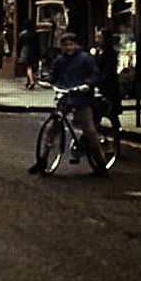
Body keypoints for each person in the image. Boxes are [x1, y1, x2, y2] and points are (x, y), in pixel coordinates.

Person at [28, 33, 103, 174]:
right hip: (65, 96)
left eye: (71, 44)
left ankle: (100, 162)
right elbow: (53, 75)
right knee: (52, 128)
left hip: (81, 97)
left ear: (75, 45)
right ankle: (42, 160)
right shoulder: (60, 60)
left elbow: (95, 74)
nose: (68, 48)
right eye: (65, 45)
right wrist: (47, 81)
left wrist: (87, 84)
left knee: (89, 130)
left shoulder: (85, 58)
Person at [93, 28, 121, 116]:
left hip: (108, 84)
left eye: (99, 37)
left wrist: (100, 81)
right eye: (96, 37)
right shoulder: (98, 51)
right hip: (101, 83)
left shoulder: (110, 52)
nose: (97, 40)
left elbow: (108, 69)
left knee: (110, 109)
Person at [17, 21, 39, 90]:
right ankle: (28, 81)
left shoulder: (22, 34)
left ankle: (31, 81)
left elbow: (19, 44)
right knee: (31, 66)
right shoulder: (35, 34)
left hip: (25, 50)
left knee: (27, 67)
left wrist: (18, 53)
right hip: (33, 50)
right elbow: (37, 44)